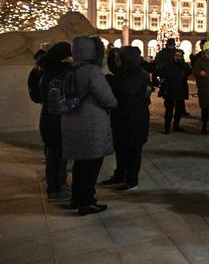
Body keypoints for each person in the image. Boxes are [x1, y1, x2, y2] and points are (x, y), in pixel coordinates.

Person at [61, 36, 117, 216]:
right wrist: (113, 102)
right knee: (92, 166)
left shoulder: (70, 70)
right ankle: (87, 202)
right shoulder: (92, 71)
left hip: (71, 121)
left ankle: (76, 199)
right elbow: (107, 98)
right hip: (90, 124)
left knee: (80, 164)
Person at [103, 46, 150, 191]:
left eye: (119, 58)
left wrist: (112, 83)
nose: (116, 61)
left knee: (133, 149)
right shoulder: (121, 74)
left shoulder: (139, 74)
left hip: (135, 119)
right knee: (121, 148)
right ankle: (119, 175)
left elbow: (127, 93)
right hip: (121, 118)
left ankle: (131, 180)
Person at [37, 42, 72, 201]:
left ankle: (56, 185)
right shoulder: (58, 75)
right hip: (56, 119)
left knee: (53, 154)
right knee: (57, 155)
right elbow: (60, 102)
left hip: (47, 117)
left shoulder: (46, 72)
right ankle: (56, 187)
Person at [157, 49, 191, 133]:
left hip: (180, 90)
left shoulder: (183, 65)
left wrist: (182, 63)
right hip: (170, 90)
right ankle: (167, 127)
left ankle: (176, 125)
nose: (178, 57)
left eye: (180, 56)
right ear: (173, 56)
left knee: (178, 110)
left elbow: (189, 71)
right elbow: (161, 72)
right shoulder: (168, 64)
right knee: (169, 110)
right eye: (177, 55)